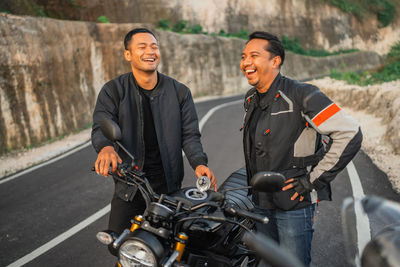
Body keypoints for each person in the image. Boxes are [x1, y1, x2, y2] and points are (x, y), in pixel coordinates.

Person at [240, 31, 362, 266]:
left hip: (294, 205)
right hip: (259, 204)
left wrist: (312, 181)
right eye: (243, 56)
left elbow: (350, 133)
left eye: (253, 55)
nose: (246, 62)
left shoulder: (302, 94)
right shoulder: (249, 99)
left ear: (275, 61)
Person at [91, 28, 216, 255]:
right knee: (118, 245)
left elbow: (190, 134)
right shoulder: (114, 90)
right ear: (128, 54)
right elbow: (101, 124)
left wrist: (199, 163)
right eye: (142, 47)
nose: (150, 51)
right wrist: (106, 148)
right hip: (130, 185)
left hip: (167, 187)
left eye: (154, 46)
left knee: (171, 248)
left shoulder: (179, 92)